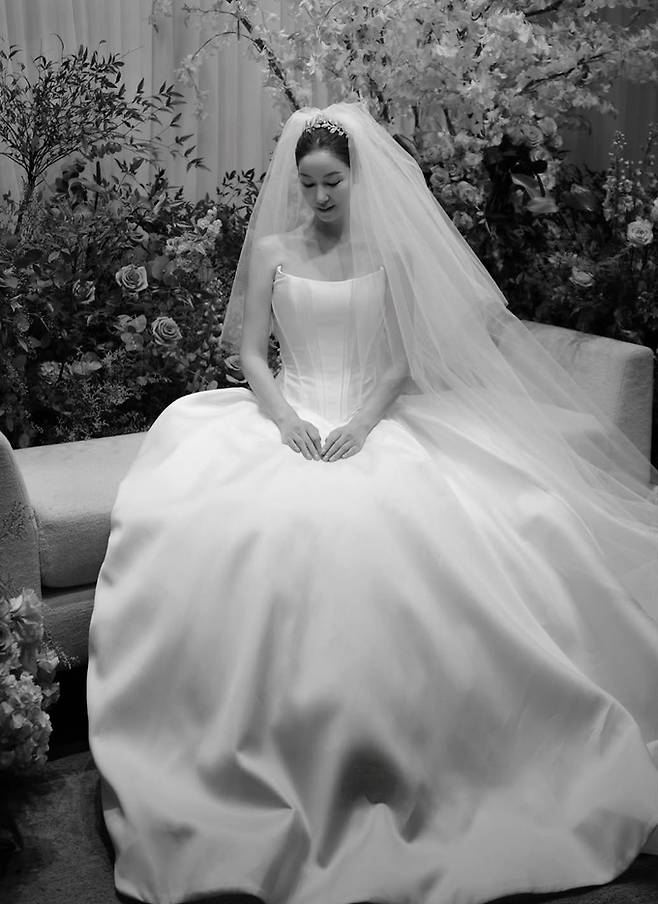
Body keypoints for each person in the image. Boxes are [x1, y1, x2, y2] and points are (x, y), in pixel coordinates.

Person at [87, 102, 658, 904]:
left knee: (442, 527)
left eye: (334, 182)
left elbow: (396, 362)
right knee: (222, 525)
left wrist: (360, 424)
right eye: (309, 183)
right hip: (287, 412)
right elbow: (251, 352)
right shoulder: (273, 251)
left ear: (356, 179)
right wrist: (284, 418)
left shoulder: (387, 254)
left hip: (368, 417)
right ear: (295, 181)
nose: (321, 196)